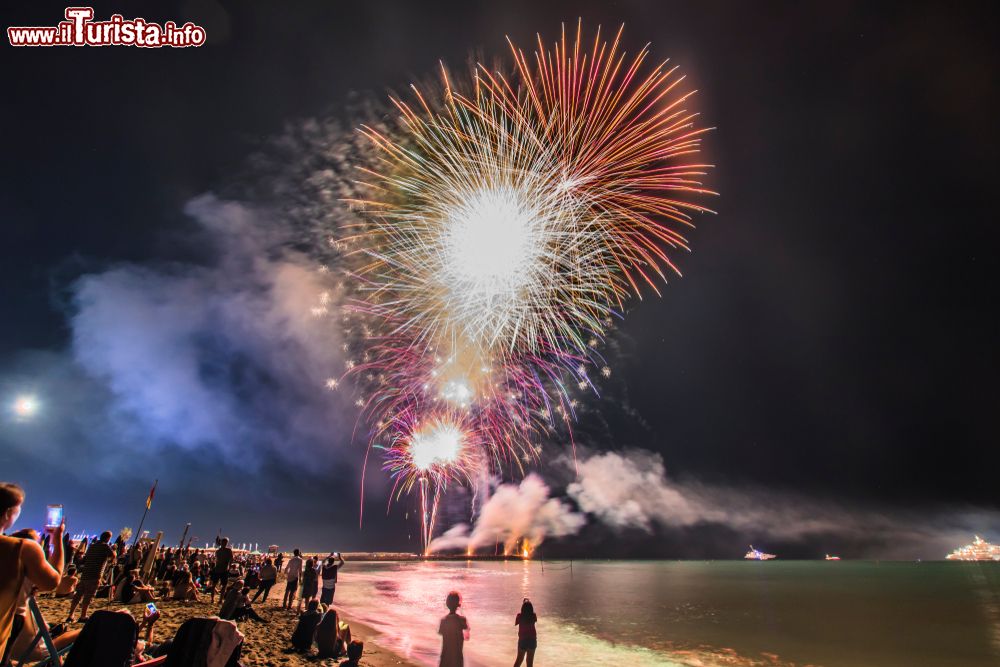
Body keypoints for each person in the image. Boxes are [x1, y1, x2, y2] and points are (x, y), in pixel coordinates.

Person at [0, 482, 65, 662]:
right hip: (6, 621)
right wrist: (57, 538)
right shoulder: (21, 549)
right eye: (18, 508)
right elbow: (52, 582)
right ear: (7, 513)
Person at [66, 530, 115, 623]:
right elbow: (112, 555)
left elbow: (85, 558)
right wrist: (114, 550)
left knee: (78, 595)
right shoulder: (105, 546)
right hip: (95, 574)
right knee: (88, 596)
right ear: (108, 538)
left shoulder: (92, 546)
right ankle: (83, 615)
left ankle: (71, 615)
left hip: (86, 573)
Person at [438, 590, 470, 667]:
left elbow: (441, 633)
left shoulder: (443, 620)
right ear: (458, 604)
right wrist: (462, 612)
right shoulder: (462, 620)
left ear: (447, 604)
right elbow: (467, 637)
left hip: (445, 657)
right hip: (457, 658)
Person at [513, 598, 538, 667]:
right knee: (529, 663)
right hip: (532, 640)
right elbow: (534, 620)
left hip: (523, 640)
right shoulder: (533, 616)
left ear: (522, 608)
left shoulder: (519, 616)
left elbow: (516, 623)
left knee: (518, 661)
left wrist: (524, 603)